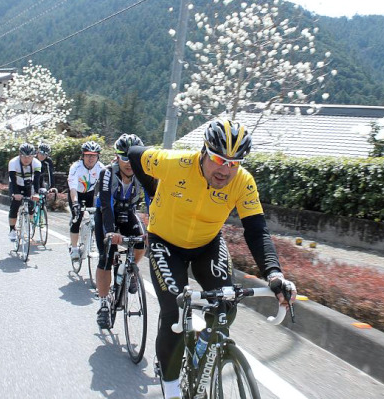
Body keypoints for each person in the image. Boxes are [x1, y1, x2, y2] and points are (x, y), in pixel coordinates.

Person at [126, 118, 296, 399]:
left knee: (226, 305)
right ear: (204, 151)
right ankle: (170, 385)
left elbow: (256, 230)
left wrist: (274, 274)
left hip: (207, 244)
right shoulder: (174, 163)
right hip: (165, 243)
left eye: (234, 162)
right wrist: (154, 192)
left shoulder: (242, 181)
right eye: (219, 159)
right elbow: (134, 154)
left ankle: (202, 348)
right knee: (173, 312)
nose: (225, 169)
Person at [94, 133, 153, 329]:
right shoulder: (107, 173)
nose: (129, 162)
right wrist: (111, 232)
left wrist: (153, 229)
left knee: (141, 240)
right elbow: (106, 205)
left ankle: (130, 270)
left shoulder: (144, 174)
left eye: (133, 157)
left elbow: (152, 203)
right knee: (106, 256)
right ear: (117, 157)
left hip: (128, 212)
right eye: (124, 157)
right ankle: (103, 304)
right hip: (106, 214)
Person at [67, 140, 104, 261]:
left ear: (98, 156)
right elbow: (72, 187)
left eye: (94, 155)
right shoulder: (76, 167)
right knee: (77, 218)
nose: (91, 158)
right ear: (83, 156)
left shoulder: (101, 168)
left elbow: (104, 188)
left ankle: (91, 242)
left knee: (97, 218)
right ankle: (74, 248)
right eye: (88, 155)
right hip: (76, 193)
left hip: (91, 194)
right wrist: (75, 203)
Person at [7, 143, 41, 242]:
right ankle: (12, 229)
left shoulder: (37, 163)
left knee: (31, 204)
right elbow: (13, 180)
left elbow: (36, 180)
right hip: (15, 184)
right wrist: (16, 194)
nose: (26, 159)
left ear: (33, 156)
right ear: (19, 155)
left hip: (27, 184)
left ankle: (29, 222)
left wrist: (36, 193)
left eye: (29, 157)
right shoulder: (13, 162)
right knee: (15, 205)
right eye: (24, 156)